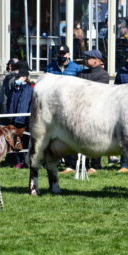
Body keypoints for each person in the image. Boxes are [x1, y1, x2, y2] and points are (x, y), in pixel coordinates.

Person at [45, 45, 83, 174]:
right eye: (60, 54)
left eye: (64, 53)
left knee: (70, 133)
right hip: (54, 105)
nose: (62, 56)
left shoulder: (77, 68)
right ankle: (54, 160)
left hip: (72, 104)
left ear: (69, 54)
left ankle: (71, 164)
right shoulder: (50, 67)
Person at [78, 49, 110, 173]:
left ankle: (95, 165)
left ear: (97, 60)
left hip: (97, 110)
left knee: (96, 136)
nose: (85, 60)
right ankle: (83, 164)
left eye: (88, 58)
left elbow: (97, 91)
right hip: (82, 110)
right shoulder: (82, 73)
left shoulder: (103, 75)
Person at [7, 62, 33, 168]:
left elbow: (30, 104)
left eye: (20, 77)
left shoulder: (30, 89)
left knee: (25, 141)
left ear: (25, 77)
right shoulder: (15, 89)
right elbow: (11, 102)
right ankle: (18, 161)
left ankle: (25, 161)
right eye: (17, 77)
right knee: (15, 140)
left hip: (24, 119)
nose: (18, 79)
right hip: (14, 118)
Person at [0, 58, 19, 125]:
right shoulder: (12, 78)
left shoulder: (3, 77)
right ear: (10, 66)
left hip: (1, 111)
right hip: (9, 111)